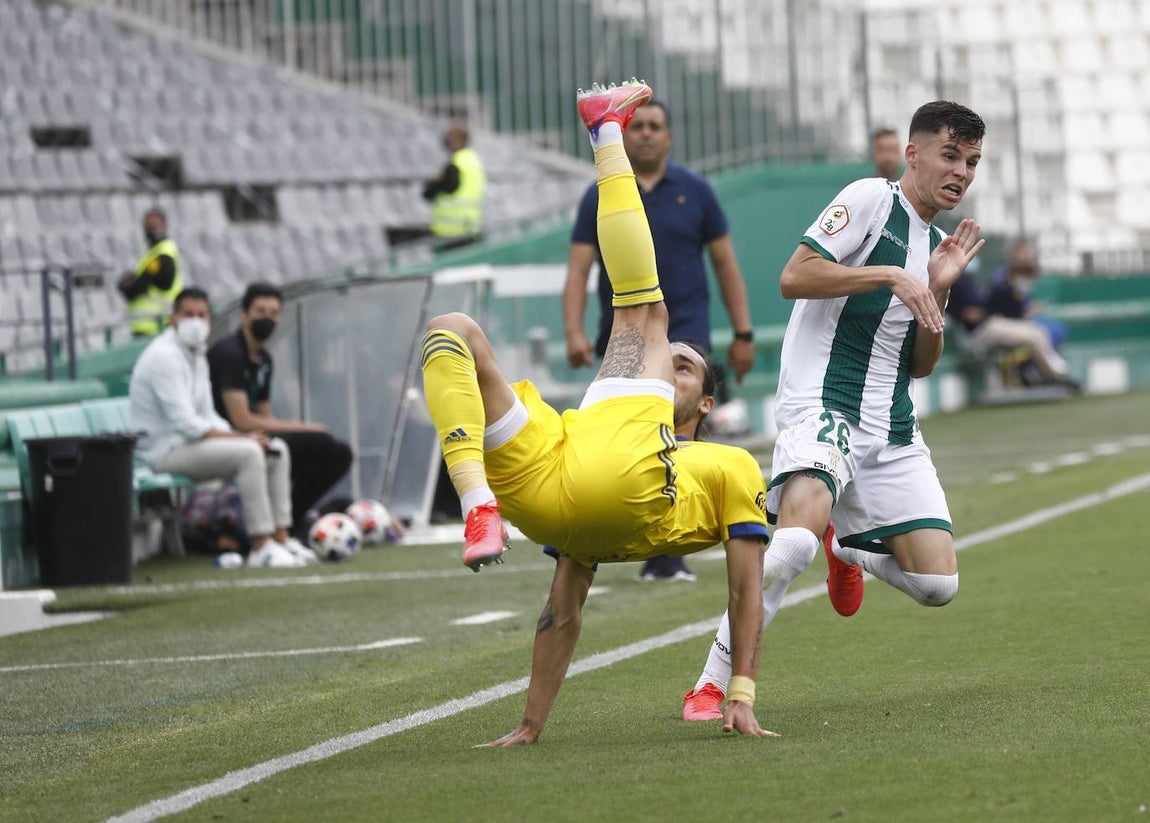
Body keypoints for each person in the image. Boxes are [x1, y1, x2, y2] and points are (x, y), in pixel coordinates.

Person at [421, 80, 772, 745]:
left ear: (705, 404)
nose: (672, 360)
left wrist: (742, 692)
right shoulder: (621, 419)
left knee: (644, 308)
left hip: (629, 481)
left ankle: (604, 129)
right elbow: (563, 612)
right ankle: (476, 504)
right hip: (551, 480)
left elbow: (745, 591)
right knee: (451, 327)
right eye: (675, 359)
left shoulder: (728, 463)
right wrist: (530, 724)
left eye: (686, 365)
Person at [682, 101, 988, 722]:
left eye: (973, 162)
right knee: (791, 543)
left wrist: (939, 285)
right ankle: (714, 683)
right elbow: (794, 276)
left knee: (938, 586)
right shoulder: (872, 201)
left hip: (892, 424)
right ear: (914, 154)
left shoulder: (934, 243)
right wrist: (890, 278)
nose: (961, 172)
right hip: (824, 402)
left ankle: (849, 547)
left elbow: (922, 363)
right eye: (950, 155)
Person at [562, 98, 755, 583]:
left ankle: (669, 544)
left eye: (655, 126)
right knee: (626, 437)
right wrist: (573, 329)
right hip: (624, 335)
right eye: (638, 126)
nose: (646, 133)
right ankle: (598, 539)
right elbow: (579, 267)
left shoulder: (698, 192)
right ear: (624, 137)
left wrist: (743, 333)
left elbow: (726, 264)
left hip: (686, 332)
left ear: (669, 136)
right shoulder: (599, 195)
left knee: (680, 431)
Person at [129, 287, 317, 568]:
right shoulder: (164, 357)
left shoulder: (196, 354)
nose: (195, 321)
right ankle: (260, 546)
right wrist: (243, 438)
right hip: (163, 452)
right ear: (173, 318)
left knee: (276, 448)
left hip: (189, 445)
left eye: (201, 315)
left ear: (209, 319)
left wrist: (248, 436)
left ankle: (281, 538)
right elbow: (187, 423)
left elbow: (208, 414)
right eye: (188, 314)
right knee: (250, 453)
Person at [208, 282, 355, 538]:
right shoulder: (230, 355)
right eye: (260, 311)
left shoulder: (263, 359)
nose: (268, 318)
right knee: (325, 445)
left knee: (335, 452)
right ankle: (280, 528)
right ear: (244, 315)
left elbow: (265, 418)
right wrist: (305, 427)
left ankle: (291, 522)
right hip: (227, 437)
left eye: (274, 313)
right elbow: (242, 421)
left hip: (256, 436)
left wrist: (303, 430)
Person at [946, 266, 1077, 390]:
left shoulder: (966, 277)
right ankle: (1053, 375)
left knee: (1038, 331)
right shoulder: (952, 281)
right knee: (1033, 337)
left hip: (991, 323)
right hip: (979, 332)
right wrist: (988, 311)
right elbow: (969, 314)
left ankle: (1052, 371)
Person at [421, 119, 487, 250]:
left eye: (449, 137)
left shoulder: (455, 165)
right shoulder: (474, 161)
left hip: (452, 233)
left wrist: (431, 185)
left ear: (459, 139)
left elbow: (431, 192)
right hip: (471, 228)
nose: (446, 140)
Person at [118, 209, 184, 338]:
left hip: (158, 325)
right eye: (148, 227)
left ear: (164, 226)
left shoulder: (164, 251)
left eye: (154, 226)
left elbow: (163, 283)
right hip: (146, 325)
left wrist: (131, 285)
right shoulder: (152, 252)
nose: (151, 230)